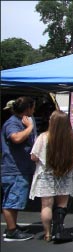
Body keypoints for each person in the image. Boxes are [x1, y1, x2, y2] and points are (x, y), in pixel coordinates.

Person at [29, 110, 73, 242]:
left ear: (52, 122)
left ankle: (47, 233)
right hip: (65, 174)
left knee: (46, 206)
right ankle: (59, 229)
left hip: (46, 175)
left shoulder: (43, 137)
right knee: (61, 205)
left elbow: (34, 157)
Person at [1, 96, 36, 241]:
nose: (34, 110)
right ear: (28, 108)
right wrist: (29, 128)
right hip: (14, 168)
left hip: (22, 167)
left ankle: (13, 226)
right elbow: (15, 138)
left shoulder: (22, 120)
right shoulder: (13, 123)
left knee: (16, 200)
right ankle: (11, 231)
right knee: (12, 200)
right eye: (33, 107)